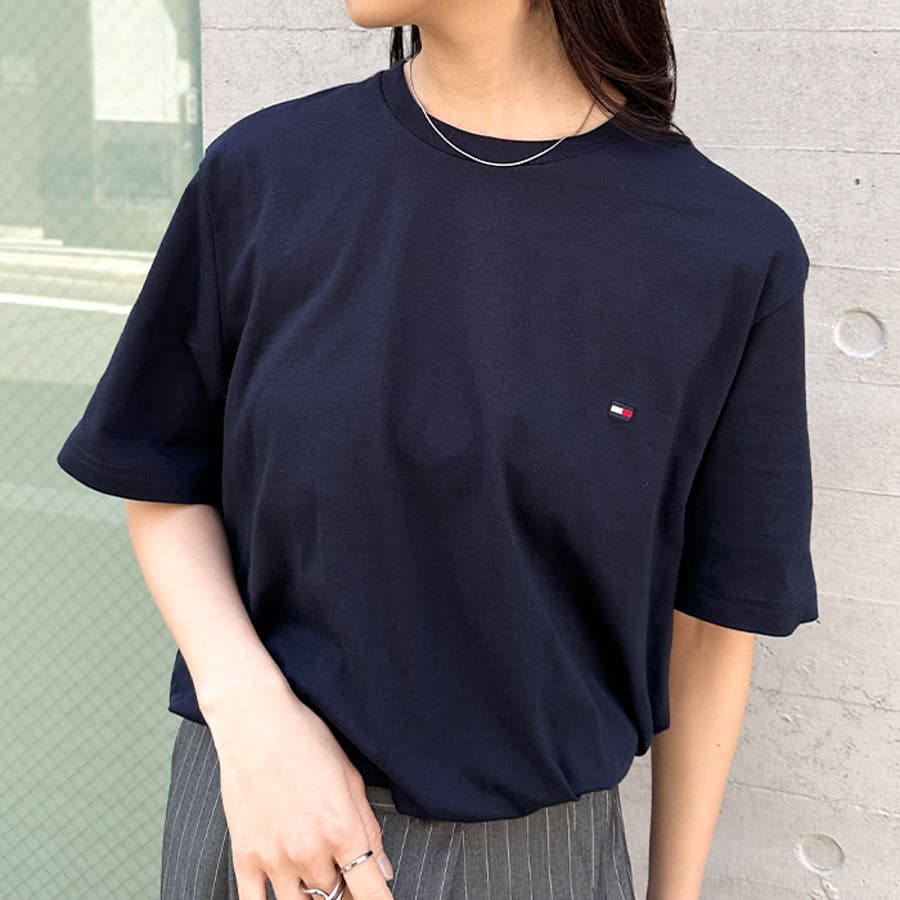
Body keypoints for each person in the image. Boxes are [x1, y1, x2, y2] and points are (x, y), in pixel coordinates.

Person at [56, 2, 819, 899]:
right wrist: (249, 711)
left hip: (533, 862)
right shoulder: (267, 171)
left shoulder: (726, 247)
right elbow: (159, 473)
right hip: (261, 825)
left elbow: (715, 623)